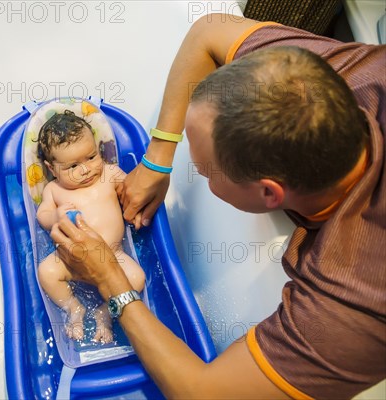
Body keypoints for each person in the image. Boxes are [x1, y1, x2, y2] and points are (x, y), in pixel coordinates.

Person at [50, 13, 385, 399]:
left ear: (268, 194)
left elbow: (203, 394)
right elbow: (208, 32)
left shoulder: (354, 299)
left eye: (206, 172)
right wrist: (159, 156)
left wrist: (110, 279)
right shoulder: (342, 74)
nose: (195, 173)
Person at [35, 110, 145, 344]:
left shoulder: (109, 174)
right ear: (52, 169)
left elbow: (132, 191)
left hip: (113, 256)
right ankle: (74, 308)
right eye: (72, 166)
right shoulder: (54, 190)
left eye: (92, 157)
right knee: (46, 272)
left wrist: (135, 204)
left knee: (137, 278)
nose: (86, 170)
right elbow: (42, 216)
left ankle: (105, 311)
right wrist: (54, 215)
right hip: (69, 257)